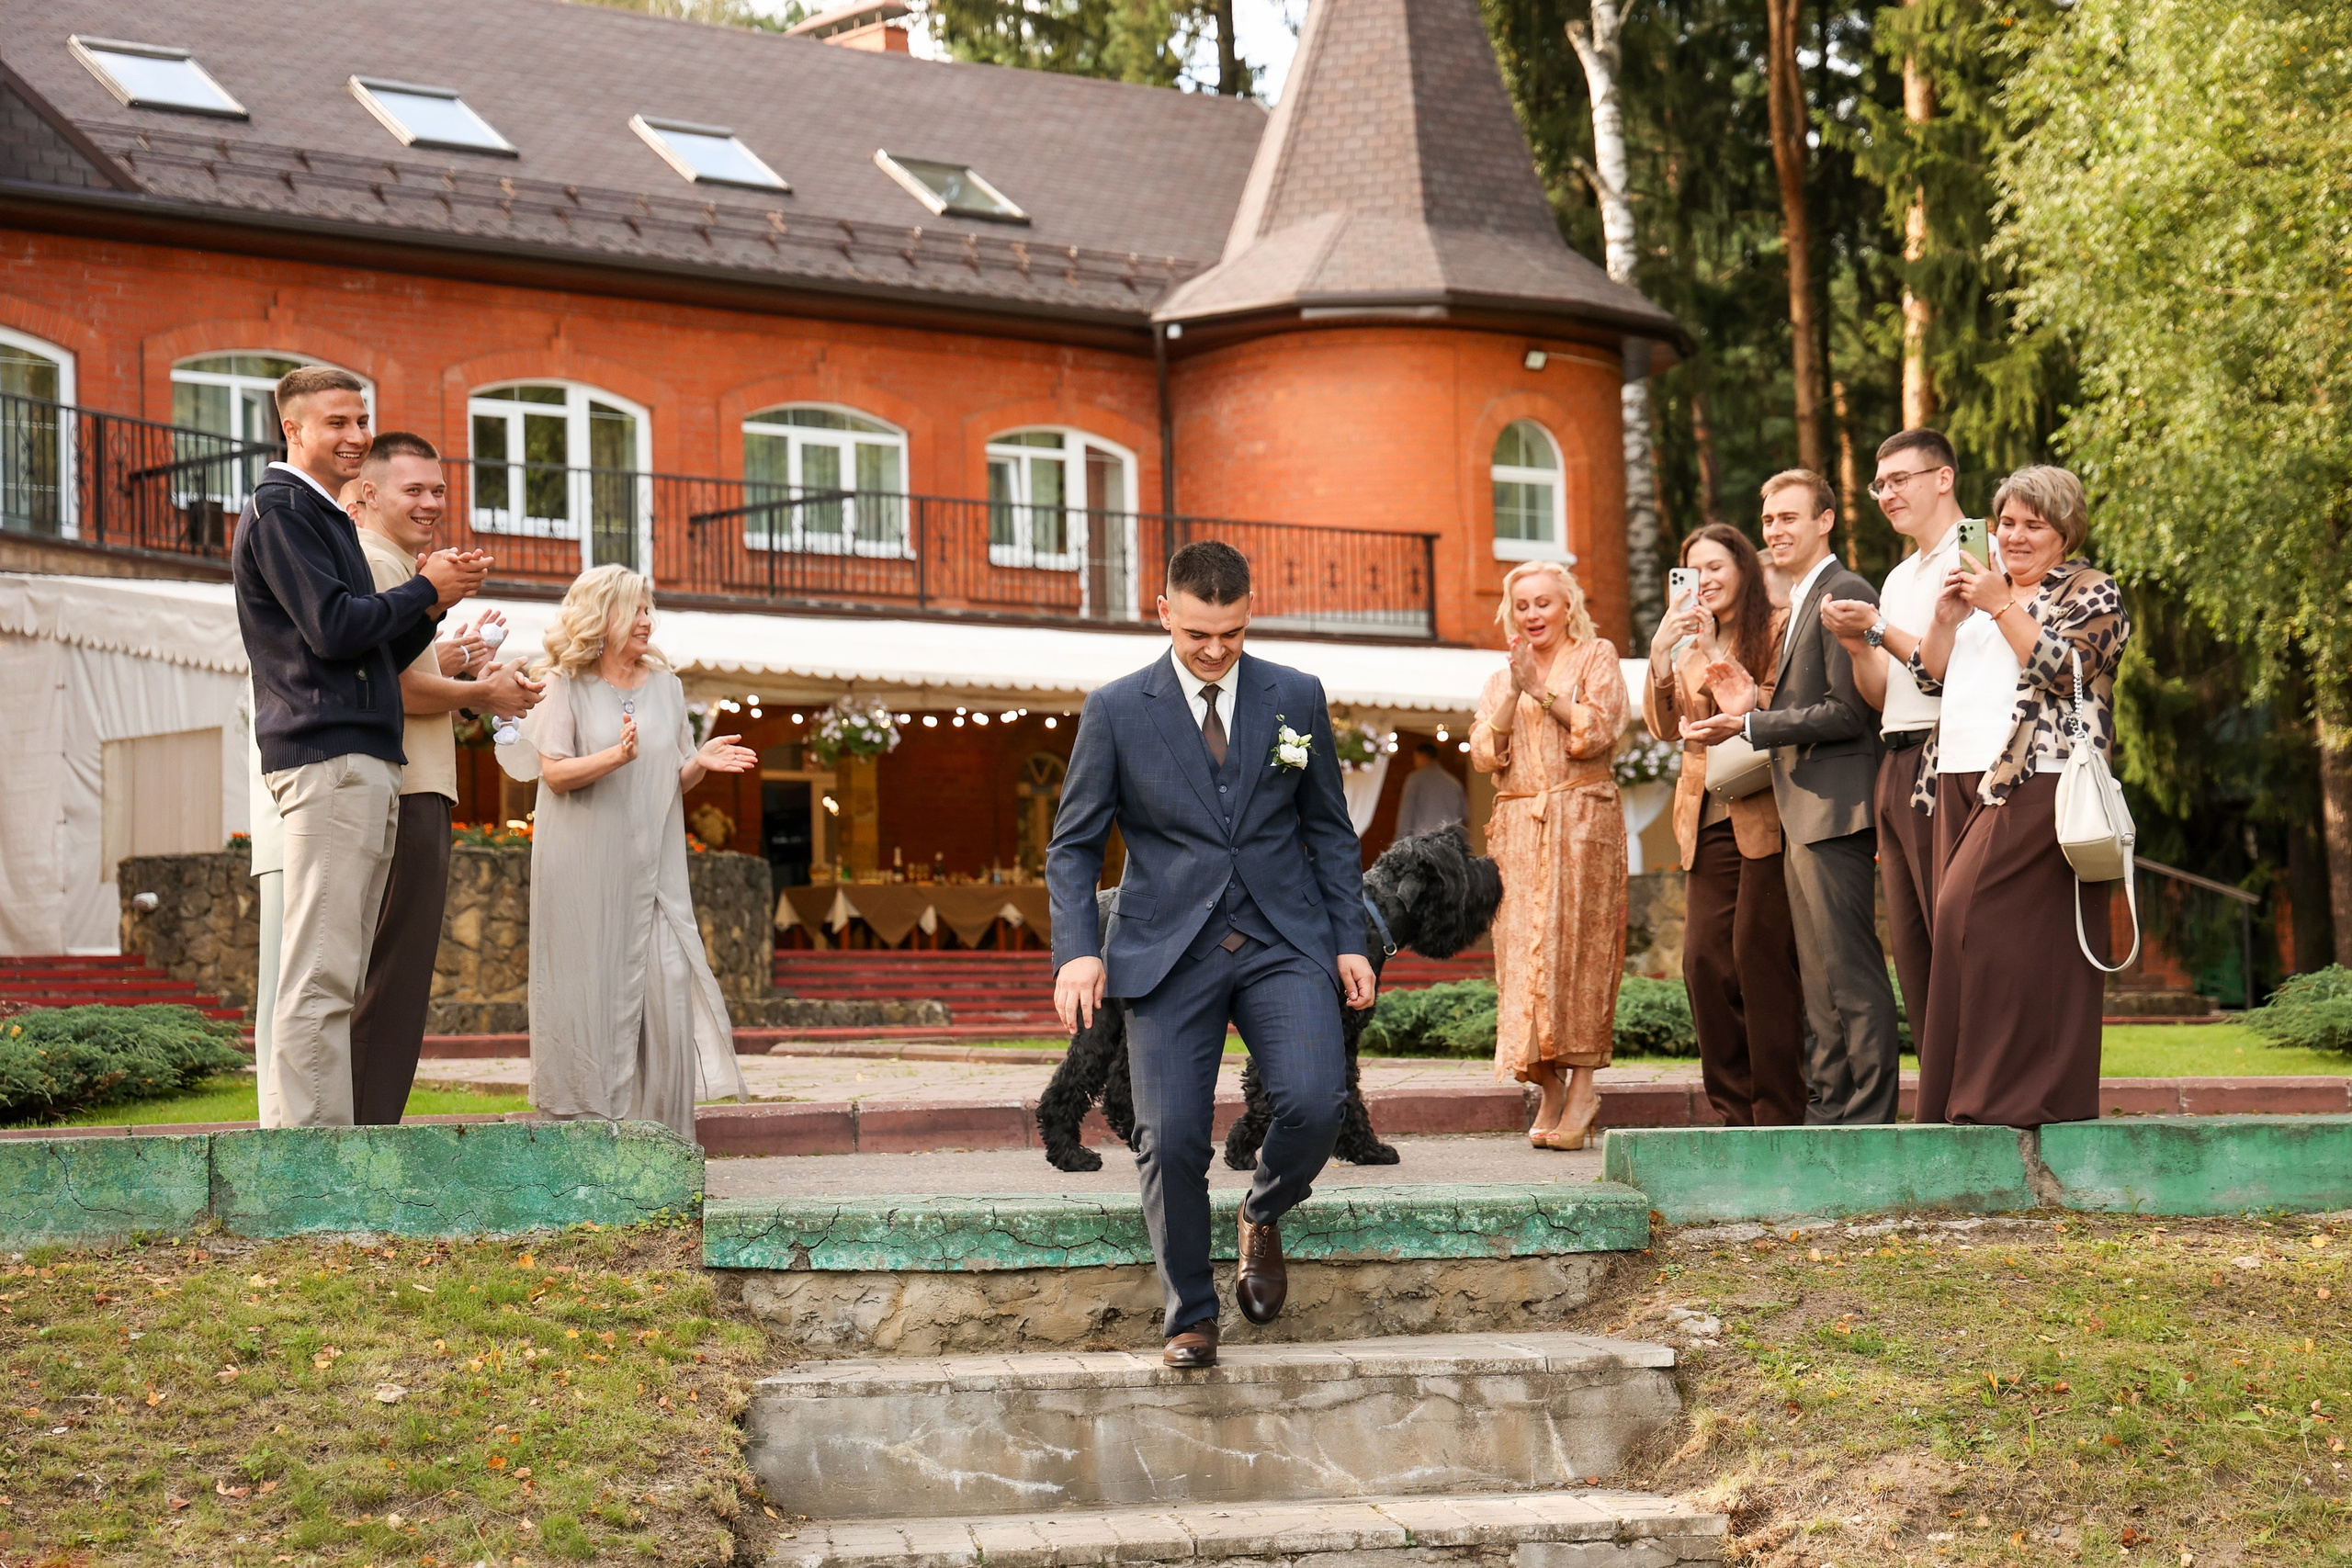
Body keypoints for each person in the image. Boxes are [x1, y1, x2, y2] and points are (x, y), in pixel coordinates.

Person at [1047, 541, 1375, 1371]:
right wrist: (1078, 953)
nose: (1215, 648)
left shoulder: (1295, 695)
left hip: (1282, 939)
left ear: (1248, 613)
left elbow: (1331, 831)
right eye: (1198, 631)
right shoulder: (1117, 709)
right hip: (1166, 948)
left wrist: (1346, 937)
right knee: (1172, 1136)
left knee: (1315, 1098)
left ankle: (1262, 1212)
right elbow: (1074, 846)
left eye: (1230, 631)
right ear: (1163, 611)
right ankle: (1191, 1316)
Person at [232, 367, 489, 1128]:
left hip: (361, 757)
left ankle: (328, 1152)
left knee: (337, 968)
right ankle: (310, 1160)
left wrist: (432, 604)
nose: (354, 436)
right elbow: (335, 627)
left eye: (361, 419)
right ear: (295, 429)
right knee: (320, 972)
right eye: (337, 422)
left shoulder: (323, 517)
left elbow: (366, 649)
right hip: (328, 757)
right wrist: (422, 589)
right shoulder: (282, 511)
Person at [496, 566, 753, 1141]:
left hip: (653, 864)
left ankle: (668, 1142)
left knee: (667, 991)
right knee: (589, 992)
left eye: (648, 609)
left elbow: (669, 778)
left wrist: (699, 763)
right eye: (636, 609)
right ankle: (589, 1137)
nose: (647, 620)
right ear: (602, 615)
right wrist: (616, 756)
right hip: (584, 865)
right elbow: (556, 774)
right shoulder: (565, 682)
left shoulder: (667, 686)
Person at [1905, 466, 2130, 1126]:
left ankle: (1991, 1100)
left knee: (1964, 915)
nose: (2017, 535)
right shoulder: (1977, 591)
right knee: (1994, 941)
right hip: (1957, 780)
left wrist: (2002, 603)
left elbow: (2068, 671)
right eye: (2007, 522)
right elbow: (1928, 675)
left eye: (2035, 524)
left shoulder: (2091, 591)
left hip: (2040, 776)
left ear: (2066, 531)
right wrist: (1948, 617)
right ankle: (1984, 1100)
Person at [1690, 470, 1899, 1124]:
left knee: (1851, 975)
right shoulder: (1808, 595)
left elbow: (1846, 712)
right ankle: (1829, 1113)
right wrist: (1751, 702)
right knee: (1818, 982)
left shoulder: (1846, 591)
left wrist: (1751, 724)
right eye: (1769, 520)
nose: (1775, 531)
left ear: (1825, 520)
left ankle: (1867, 1117)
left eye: (1789, 518)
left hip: (1836, 810)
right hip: (1801, 811)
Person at [349, 434, 543, 1125]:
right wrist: (482, 695)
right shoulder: (378, 563)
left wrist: (459, 665)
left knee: (395, 974)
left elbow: (407, 676)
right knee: (393, 975)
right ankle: (366, 1133)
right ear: (369, 492)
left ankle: (368, 1126)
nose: (431, 502)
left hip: (417, 782)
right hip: (406, 788)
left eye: (438, 489)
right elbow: (389, 688)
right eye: (414, 489)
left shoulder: (403, 567)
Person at [1643, 525, 1804, 1127]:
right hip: (1705, 813)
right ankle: (1736, 1110)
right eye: (1694, 570)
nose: (1705, 580)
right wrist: (1662, 652)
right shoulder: (1684, 643)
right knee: (1704, 963)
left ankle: (1780, 1109)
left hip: (1766, 808)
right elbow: (1664, 727)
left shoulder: (1779, 627)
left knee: (1758, 959)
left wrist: (1713, 652)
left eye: (1716, 566)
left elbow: (1764, 705)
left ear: (1742, 568)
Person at [1470, 561, 1627, 1151]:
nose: (1533, 614)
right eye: (1522, 606)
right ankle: (1548, 1087)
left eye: (1544, 603)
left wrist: (1545, 691)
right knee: (1521, 959)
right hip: (1516, 829)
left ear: (1568, 607)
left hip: (1581, 820)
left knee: (1577, 951)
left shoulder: (1596, 656)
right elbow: (1487, 752)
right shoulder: (1499, 677)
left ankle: (1583, 1087)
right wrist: (1516, 689)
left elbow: (1599, 730)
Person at [1821, 428, 1967, 1032]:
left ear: (1943, 477)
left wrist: (1877, 627)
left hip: (1949, 755)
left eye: (1900, 479)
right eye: (1880, 484)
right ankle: (1939, 1090)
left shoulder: (1975, 554)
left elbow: (1946, 671)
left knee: (1951, 930)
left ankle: (1973, 1091)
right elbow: (1882, 692)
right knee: (1911, 944)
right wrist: (1858, 646)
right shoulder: (1903, 574)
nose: (1886, 495)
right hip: (1896, 757)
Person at [1395, 741, 1468, 836]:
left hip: (1424, 841)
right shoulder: (1454, 783)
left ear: (1421, 756)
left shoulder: (1415, 779)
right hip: (1450, 841)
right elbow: (1464, 815)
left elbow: (1406, 813)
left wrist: (1400, 841)